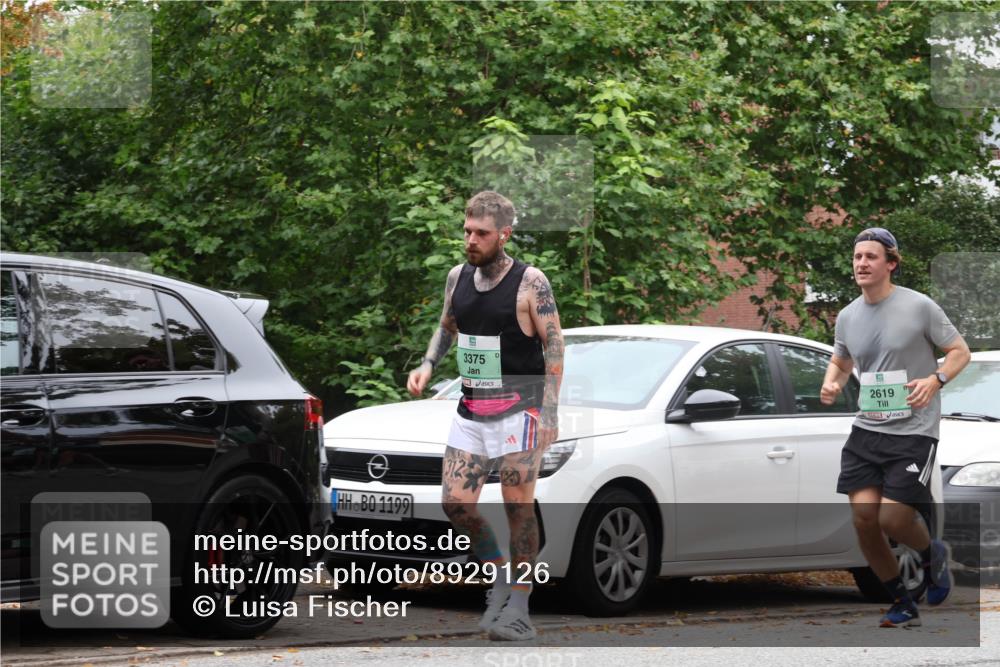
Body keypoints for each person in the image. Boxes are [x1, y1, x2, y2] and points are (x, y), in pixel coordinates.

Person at [406, 191, 564, 641]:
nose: (470, 240)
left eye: (481, 233)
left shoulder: (531, 282)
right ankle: (498, 574)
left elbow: (554, 344)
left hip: (522, 408)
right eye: (467, 231)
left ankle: (519, 606)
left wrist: (550, 411)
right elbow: (446, 326)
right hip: (472, 407)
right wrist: (428, 364)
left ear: (504, 234)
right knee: (455, 502)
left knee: (519, 507)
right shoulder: (458, 277)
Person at [820, 227, 971, 628]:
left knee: (892, 519)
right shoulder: (848, 315)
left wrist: (935, 379)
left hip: (914, 431)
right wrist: (833, 379)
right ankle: (901, 600)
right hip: (868, 430)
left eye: (871, 257)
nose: (862, 264)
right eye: (857, 258)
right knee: (864, 520)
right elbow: (842, 359)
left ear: (891, 263)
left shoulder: (919, 307)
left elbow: (960, 352)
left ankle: (931, 553)